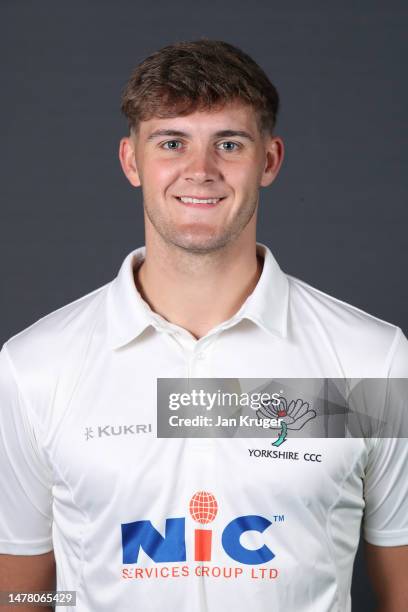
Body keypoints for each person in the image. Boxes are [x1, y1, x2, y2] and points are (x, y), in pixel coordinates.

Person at [0, 38, 407, 612]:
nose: (201, 170)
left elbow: (401, 585)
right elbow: (19, 591)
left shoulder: (372, 360)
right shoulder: (34, 367)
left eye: (229, 143)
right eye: (172, 142)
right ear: (131, 160)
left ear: (268, 161)